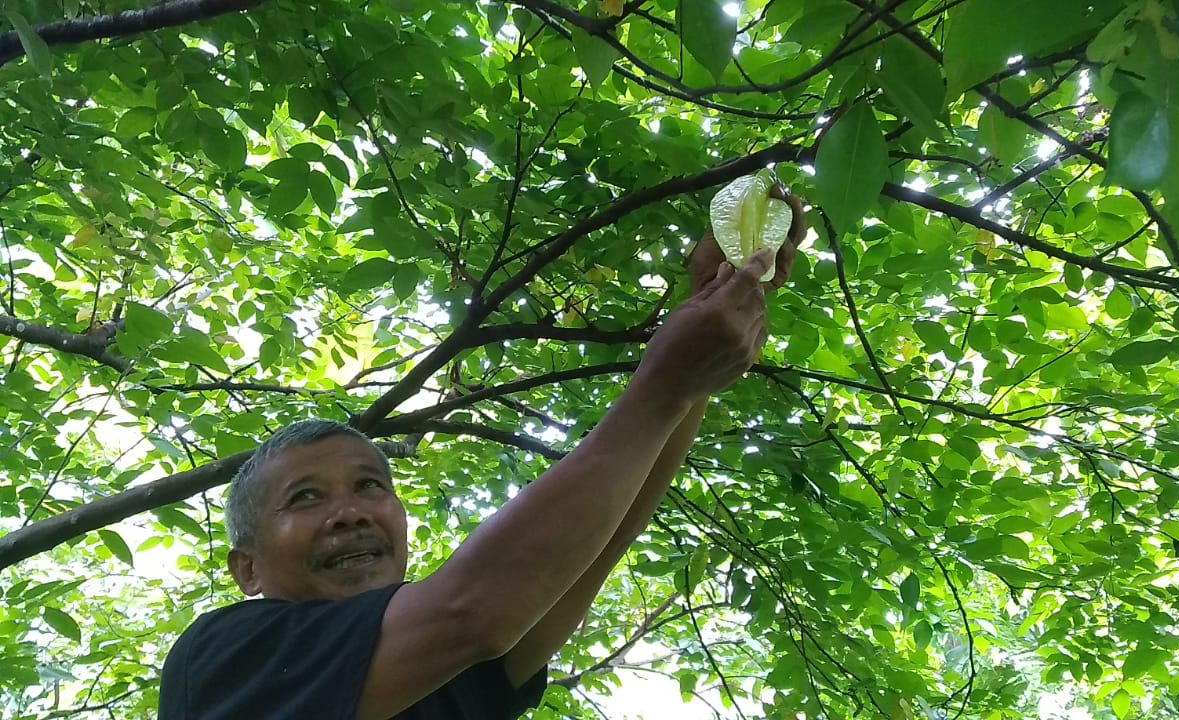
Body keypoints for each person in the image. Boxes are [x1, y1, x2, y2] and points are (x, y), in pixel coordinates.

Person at [157, 199, 805, 719]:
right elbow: (474, 609)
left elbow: (600, 542)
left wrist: (708, 312)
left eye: (369, 485)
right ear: (246, 569)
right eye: (305, 497)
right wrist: (666, 381)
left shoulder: (446, 682)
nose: (350, 513)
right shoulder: (219, 663)